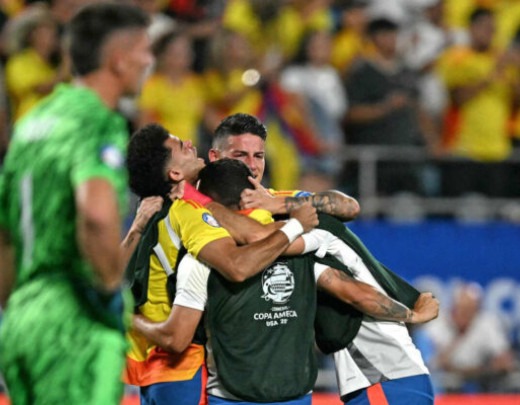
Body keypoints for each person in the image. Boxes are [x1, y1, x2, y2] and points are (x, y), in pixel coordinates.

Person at [131, 158, 439, 405]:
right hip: (362, 385)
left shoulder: (201, 260)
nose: (255, 164)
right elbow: (346, 287)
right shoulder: (307, 240)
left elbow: (252, 247)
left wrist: (202, 203)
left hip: (386, 378)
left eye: (259, 155)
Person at [0, 3, 154, 404]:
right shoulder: (96, 121)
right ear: (118, 60)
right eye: (143, 49)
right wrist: (106, 295)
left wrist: (18, 306)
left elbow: (4, 233)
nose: (148, 60)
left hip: (23, 316)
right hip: (76, 318)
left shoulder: (33, 122)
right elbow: (98, 215)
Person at [124, 123, 318, 405]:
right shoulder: (188, 212)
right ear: (175, 173)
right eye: (181, 146)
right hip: (182, 367)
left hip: (153, 368)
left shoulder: (151, 209)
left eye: (258, 156)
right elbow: (236, 264)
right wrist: (301, 229)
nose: (191, 143)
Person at [208, 112, 360, 220]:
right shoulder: (194, 204)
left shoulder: (275, 200)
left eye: (258, 156)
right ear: (215, 157)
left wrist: (276, 204)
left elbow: (349, 207)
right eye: (240, 155)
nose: (252, 165)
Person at [422, 282, 518, 393]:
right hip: (445, 382)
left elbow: (505, 359)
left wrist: (487, 368)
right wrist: (459, 335)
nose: (466, 315)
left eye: (470, 310)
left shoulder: (486, 322)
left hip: (481, 377)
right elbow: (431, 364)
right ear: (453, 307)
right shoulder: (435, 325)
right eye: (462, 310)